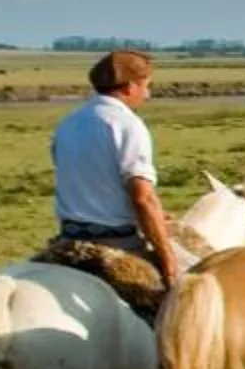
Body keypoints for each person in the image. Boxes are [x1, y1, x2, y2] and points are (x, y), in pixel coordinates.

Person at [49, 49, 183, 279]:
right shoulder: (128, 125)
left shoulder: (68, 123)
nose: (147, 95)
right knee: (170, 307)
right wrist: (168, 260)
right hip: (116, 242)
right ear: (129, 87)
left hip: (68, 240)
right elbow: (143, 198)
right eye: (146, 86)